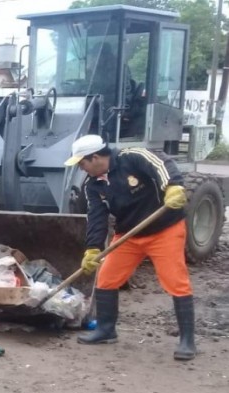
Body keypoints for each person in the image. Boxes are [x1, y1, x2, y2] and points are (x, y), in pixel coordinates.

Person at [65, 134, 194, 360]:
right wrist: (93, 249)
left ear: (95, 158)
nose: (82, 168)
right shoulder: (92, 186)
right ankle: (106, 330)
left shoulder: (131, 157)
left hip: (164, 229)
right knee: (107, 278)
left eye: (82, 163)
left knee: (175, 281)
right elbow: (96, 218)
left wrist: (173, 186)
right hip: (129, 236)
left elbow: (162, 164)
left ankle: (187, 341)